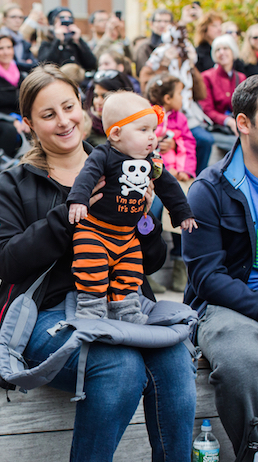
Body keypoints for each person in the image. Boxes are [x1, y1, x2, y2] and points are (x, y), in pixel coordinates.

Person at [0, 63, 197, 461]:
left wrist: (146, 217)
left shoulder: (126, 163)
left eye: (69, 107)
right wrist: (68, 214)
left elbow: (152, 262)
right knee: (120, 367)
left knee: (175, 357)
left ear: (83, 106)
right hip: (46, 316)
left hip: (121, 303)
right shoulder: (14, 183)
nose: (64, 122)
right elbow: (6, 261)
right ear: (28, 123)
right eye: (48, 115)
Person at [67, 91, 196, 322]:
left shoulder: (150, 160)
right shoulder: (102, 155)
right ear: (116, 133)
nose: (152, 137)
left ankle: (127, 311)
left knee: (130, 272)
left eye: (153, 131)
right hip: (95, 231)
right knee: (90, 268)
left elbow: (169, 186)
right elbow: (86, 176)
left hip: (127, 236)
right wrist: (79, 200)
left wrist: (182, 212)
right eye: (143, 130)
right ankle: (91, 309)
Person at [183, 74, 258, 462]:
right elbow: (206, 277)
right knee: (244, 359)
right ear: (243, 124)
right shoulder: (207, 189)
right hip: (224, 306)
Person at [140, 24, 214, 175]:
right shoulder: (160, 54)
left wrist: (191, 66)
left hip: (185, 113)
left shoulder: (189, 53)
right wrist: (165, 63)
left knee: (205, 140)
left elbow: (199, 92)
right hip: (164, 110)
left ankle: (196, 176)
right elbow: (146, 79)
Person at [146, 73, 197, 292]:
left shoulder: (181, 119)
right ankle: (145, 271)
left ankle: (178, 265)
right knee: (154, 211)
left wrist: (185, 169)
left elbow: (189, 143)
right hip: (156, 177)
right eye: (179, 94)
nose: (183, 98)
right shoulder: (150, 117)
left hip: (180, 176)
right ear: (167, 98)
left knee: (186, 208)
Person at [200, 34, 246, 152]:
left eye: (225, 48)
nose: (221, 52)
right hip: (217, 129)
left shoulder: (240, 77)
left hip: (238, 126)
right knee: (239, 146)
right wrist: (228, 121)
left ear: (233, 51)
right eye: (218, 50)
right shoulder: (206, 77)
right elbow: (207, 110)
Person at [0, 34, 28, 158]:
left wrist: (26, 119)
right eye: (1, 48)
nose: (6, 52)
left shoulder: (22, 75)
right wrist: (12, 120)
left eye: (9, 47)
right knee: (9, 131)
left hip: (21, 118)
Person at [37, 7, 96, 72]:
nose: (66, 20)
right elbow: (45, 65)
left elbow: (91, 64)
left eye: (69, 18)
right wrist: (58, 41)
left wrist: (79, 41)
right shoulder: (47, 43)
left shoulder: (75, 43)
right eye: (62, 18)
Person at [84, 69, 133, 146]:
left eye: (105, 96)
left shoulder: (134, 124)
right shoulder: (86, 127)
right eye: (96, 96)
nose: (98, 102)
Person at [0, 3, 36, 70]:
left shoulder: (23, 41)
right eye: (13, 17)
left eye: (20, 17)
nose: (17, 21)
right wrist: (24, 64)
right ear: (4, 19)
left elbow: (34, 64)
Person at [133, 8, 173, 72]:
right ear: (151, 23)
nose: (162, 25)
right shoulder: (144, 47)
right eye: (159, 21)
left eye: (166, 21)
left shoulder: (175, 46)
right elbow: (144, 74)